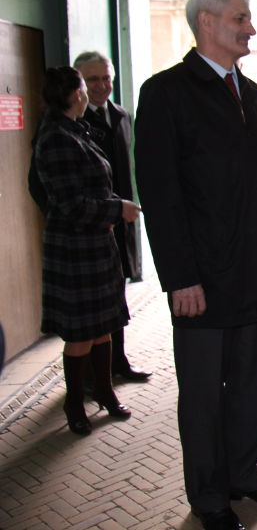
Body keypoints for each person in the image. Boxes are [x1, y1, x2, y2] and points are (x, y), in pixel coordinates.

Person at [134, 0, 257, 530]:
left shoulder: (255, 96)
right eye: (240, 18)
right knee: (204, 395)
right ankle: (208, 497)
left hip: (256, 271)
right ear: (206, 21)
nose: (250, 28)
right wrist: (180, 277)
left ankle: (245, 475)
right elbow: (160, 193)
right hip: (202, 281)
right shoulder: (167, 93)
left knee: (255, 385)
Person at [31, 66, 138, 436]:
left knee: (103, 325)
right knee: (79, 335)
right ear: (76, 94)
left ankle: (105, 392)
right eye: (85, 87)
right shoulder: (55, 138)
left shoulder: (75, 129)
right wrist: (116, 209)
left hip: (96, 245)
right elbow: (69, 204)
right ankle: (75, 403)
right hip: (75, 250)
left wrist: (113, 209)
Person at [73, 50, 151, 382]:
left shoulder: (121, 116)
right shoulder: (71, 123)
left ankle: (117, 362)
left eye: (106, 78)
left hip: (119, 221)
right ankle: (93, 374)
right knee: (91, 306)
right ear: (79, 84)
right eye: (93, 79)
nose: (102, 85)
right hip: (89, 227)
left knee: (116, 296)